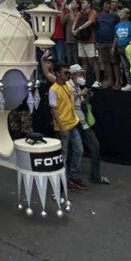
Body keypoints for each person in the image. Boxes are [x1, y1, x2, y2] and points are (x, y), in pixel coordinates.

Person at [45, 61, 86, 191]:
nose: (67, 75)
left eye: (68, 72)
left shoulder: (67, 86)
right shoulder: (53, 90)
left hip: (72, 123)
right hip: (63, 126)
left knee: (79, 150)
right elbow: (54, 110)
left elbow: (72, 99)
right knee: (64, 155)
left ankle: (73, 176)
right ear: (57, 74)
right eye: (65, 73)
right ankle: (63, 180)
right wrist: (61, 126)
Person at [95, 1, 119, 88]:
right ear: (102, 5)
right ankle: (110, 81)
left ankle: (117, 82)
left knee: (115, 62)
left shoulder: (115, 16)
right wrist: (97, 42)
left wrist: (114, 44)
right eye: (106, 4)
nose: (108, 5)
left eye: (109, 4)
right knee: (106, 62)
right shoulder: (98, 16)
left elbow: (118, 29)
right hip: (102, 42)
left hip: (112, 42)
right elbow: (96, 30)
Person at [113, 8, 131, 90]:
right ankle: (129, 83)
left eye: (122, 12)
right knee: (125, 66)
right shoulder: (117, 26)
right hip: (120, 48)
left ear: (128, 15)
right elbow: (116, 37)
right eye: (120, 12)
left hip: (129, 47)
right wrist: (113, 47)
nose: (120, 13)